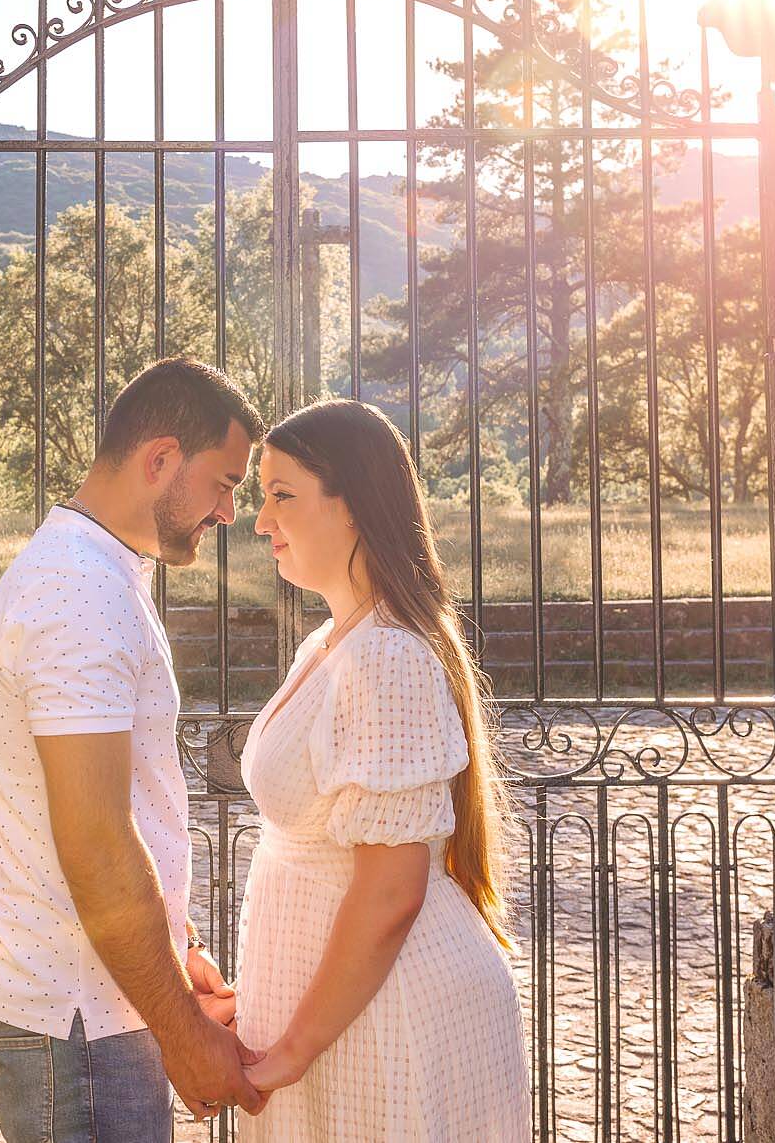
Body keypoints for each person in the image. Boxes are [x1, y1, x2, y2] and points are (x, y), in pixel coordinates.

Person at [0, 356, 269, 1142]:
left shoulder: (100, 571)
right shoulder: (79, 590)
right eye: (225, 482)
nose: (231, 511)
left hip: (91, 1009)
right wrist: (184, 1031)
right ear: (160, 458)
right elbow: (96, 840)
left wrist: (177, 942)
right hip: (80, 1026)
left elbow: (123, 805)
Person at [234, 397, 530, 1141]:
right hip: (339, 1018)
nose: (261, 521)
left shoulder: (389, 655)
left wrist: (293, 1050)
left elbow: (392, 891)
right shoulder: (332, 644)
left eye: (282, 495)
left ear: (355, 507)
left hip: (387, 1020)